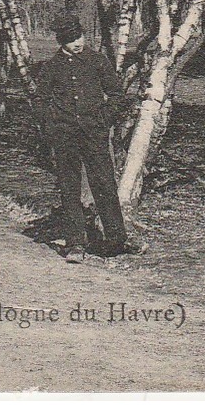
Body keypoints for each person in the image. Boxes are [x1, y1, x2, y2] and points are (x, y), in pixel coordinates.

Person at [36, 13, 142, 262]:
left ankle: (117, 240)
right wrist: (53, 124)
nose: (78, 42)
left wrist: (104, 119)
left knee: (104, 184)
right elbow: (39, 100)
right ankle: (75, 243)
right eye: (71, 39)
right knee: (69, 187)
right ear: (61, 42)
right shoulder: (51, 67)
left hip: (94, 133)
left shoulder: (97, 61)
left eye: (79, 36)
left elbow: (116, 95)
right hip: (64, 136)